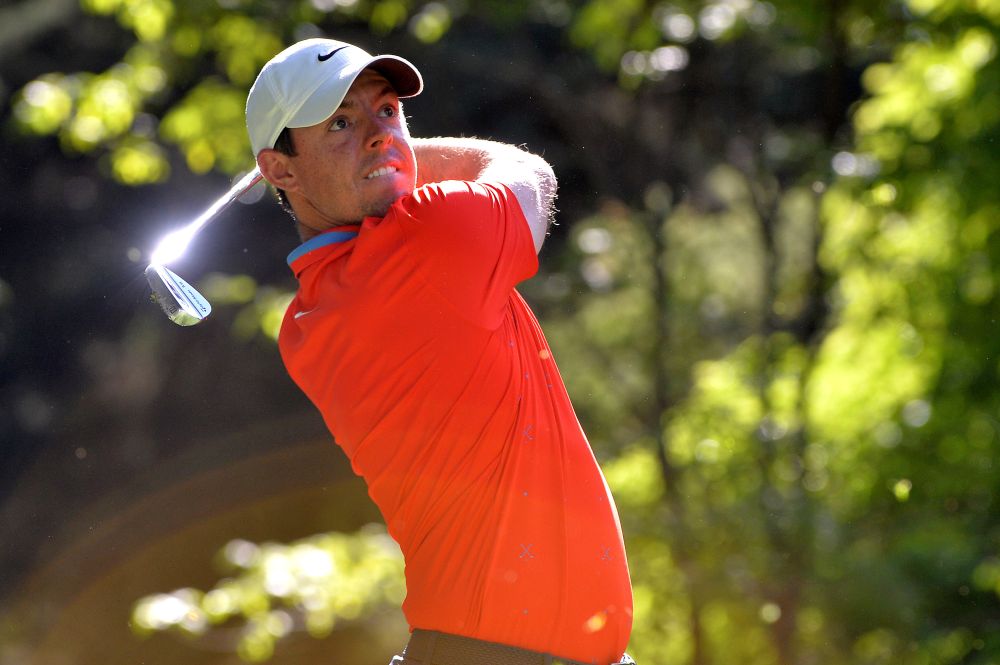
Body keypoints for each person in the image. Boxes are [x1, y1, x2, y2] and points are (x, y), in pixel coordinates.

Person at [245, 38, 634, 665]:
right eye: (340, 122)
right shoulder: (427, 237)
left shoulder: (305, 323)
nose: (378, 132)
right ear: (279, 170)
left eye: (387, 111)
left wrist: (365, 156)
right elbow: (529, 173)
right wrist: (402, 154)